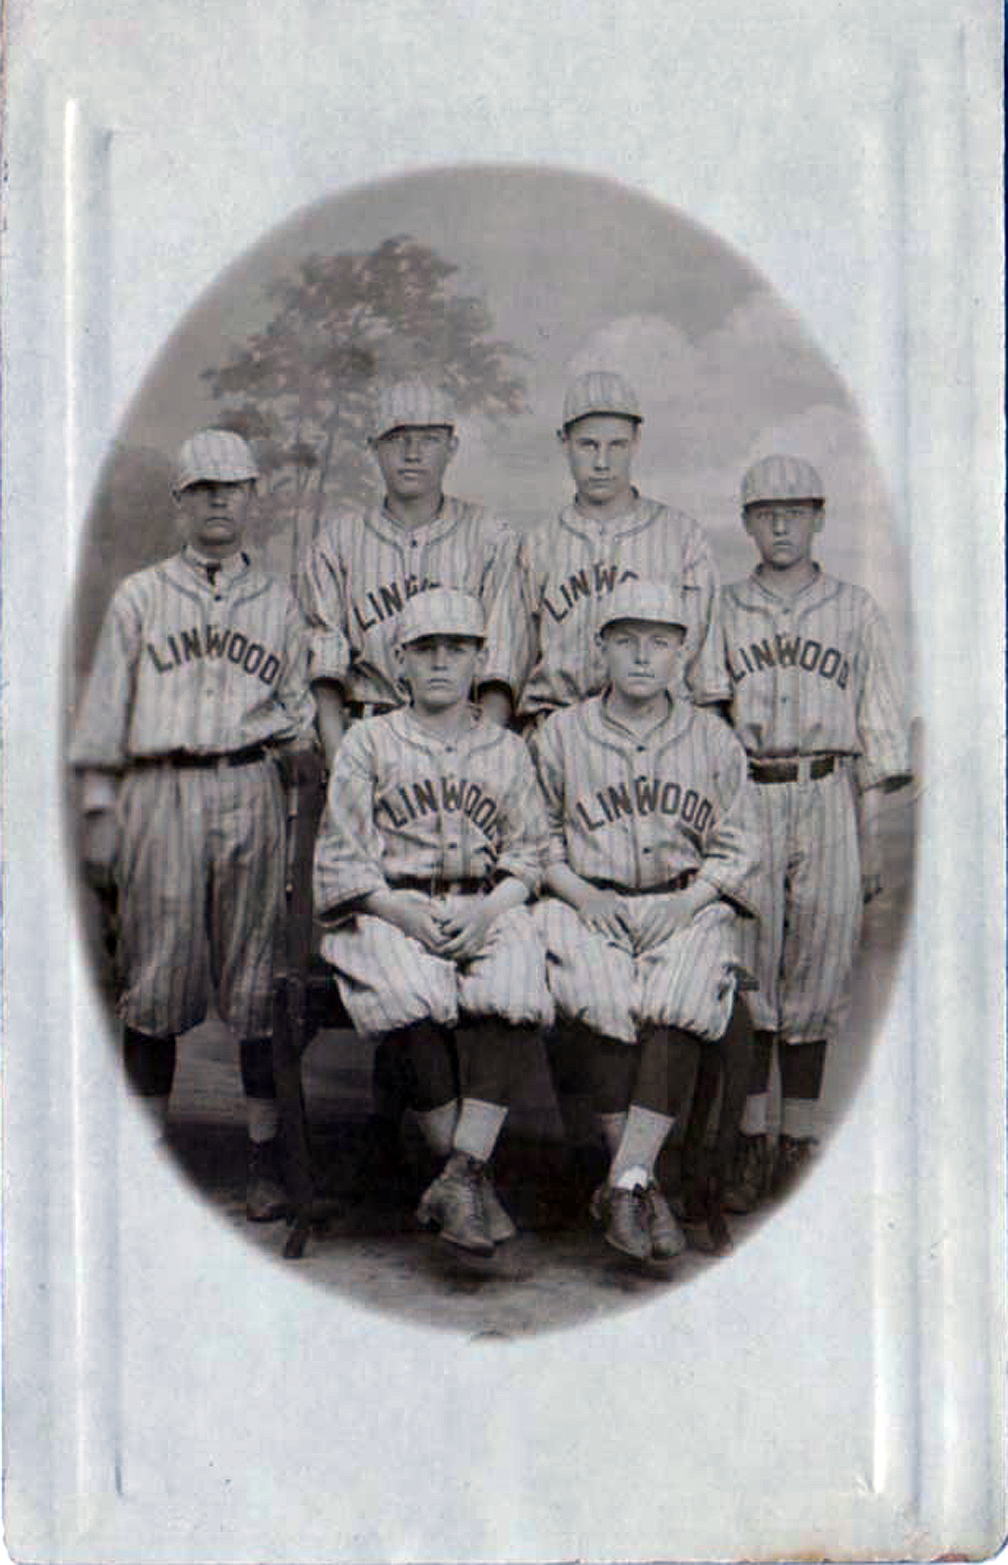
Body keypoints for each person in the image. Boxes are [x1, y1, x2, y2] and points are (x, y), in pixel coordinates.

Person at [69, 429, 316, 1219]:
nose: (218, 500)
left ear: (252, 498)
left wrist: (297, 760)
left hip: (248, 784)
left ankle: (263, 1159)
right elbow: (105, 713)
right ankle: (146, 1164)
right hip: (162, 791)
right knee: (155, 982)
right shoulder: (140, 596)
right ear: (181, 501)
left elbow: (296, 715)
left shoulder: (276, 601)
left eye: (231, 487)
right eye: (203, 488)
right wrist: (102, 812)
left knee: (256, 987)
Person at [312, 588, 553, 1256]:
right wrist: (398, 910)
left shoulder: (505, 749)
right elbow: (342, 859)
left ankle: (458, 1176)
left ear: (480, 659)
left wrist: (490, 908)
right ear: (401, 662)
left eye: (457, 648)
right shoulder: (368, 742)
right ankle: (471, 1178)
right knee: (410, 994)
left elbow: (529, 857)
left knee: (517, 982)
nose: (442, 662)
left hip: (482, 902)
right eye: (426, 650)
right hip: (388, 905)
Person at [531, 582, 760, 1261]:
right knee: (602, 995)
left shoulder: (713, 739)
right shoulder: (561, 733)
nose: (641, 657)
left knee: (680, 997)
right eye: (625, 640)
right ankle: (636, 1183)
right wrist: (577, 893)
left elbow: (740, 844)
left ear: (682, 652)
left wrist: (688, 904)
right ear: (600, 647)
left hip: (683, 902)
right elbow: (532, 835)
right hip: (585, 900)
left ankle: (625, 1183)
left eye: (659, 642)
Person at [720, 455, 912, 1205]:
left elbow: (878, 733)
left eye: (794, 511)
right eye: (766, 512)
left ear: (819, 517)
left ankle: (797, 1142)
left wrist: (867, 839)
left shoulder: (856, 609)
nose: (780, 524)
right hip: (749, 792)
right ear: (747, 524)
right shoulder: (725, 608)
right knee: (749, 969)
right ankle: (748, 1144)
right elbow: (706, 721)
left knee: (819, 970)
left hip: (829, 790)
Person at [299, 377, 521, 769]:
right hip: (366, 737)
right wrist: (341, 763)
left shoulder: (492, 538)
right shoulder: (336, 543)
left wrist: (479, 761)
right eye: (397, 438)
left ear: (452, 447)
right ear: (374, 447)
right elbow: (324, 672)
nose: (412, 453)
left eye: (428, 439)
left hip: (464, 739)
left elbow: (498, 670)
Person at [494, 370, 729, 730]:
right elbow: (503, 670)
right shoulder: (538, 544)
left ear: (636, 441)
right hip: (555, 728)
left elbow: (707, 681)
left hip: (657, 735)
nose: (602, 462)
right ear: (563, 442)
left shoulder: (682, 538)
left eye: (616, 445)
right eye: (588, 445)